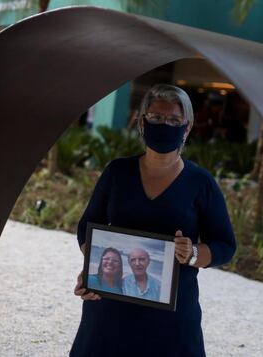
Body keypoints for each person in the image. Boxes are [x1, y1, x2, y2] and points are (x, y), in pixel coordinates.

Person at [71, 84, 237, 357]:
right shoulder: (117, 172)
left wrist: (192, 253)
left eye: (173, 120)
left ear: (187, 127)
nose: (164, 125)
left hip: (170, 318)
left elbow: (225, 246)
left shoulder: (200, 183)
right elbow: (86, 227)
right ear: (141, 122)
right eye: (156, 118)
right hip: (111, 306)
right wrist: (94, 271)